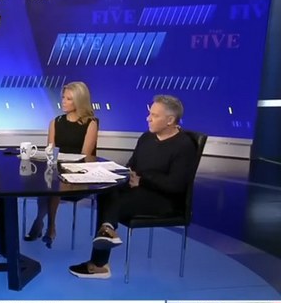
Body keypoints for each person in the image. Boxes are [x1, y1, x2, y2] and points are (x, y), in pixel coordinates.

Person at [68, 94, 197, 279]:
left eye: (154, 115)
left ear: (170, 120)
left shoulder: (184, 145)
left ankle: (99, 261)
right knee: (107, 190)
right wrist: (124, 175)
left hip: (165, 201)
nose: (148, 118)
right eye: (149, 113)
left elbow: (175, 185)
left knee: (114, 200)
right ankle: (106, 233)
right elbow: (132, 165)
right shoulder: (146, 138)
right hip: (139, 191)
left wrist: (142, 180)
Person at [24, 82, 98, 247]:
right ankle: (45, 224)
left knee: (53, 185)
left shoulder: (91, 124)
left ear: (79, 100)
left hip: (78, 174)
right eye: (63, 97)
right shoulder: (55, 122)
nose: (63, 101)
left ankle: (46, 225)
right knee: (50, 183)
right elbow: (50, 151)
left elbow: (85, 156)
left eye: (69, 99)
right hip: (56, 171)